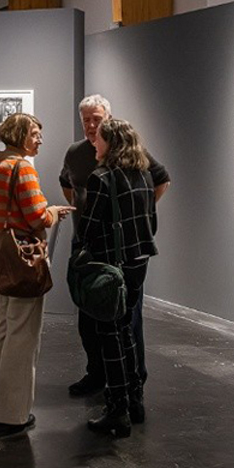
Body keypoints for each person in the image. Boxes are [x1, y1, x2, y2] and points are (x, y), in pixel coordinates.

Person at [59, 94, 169, 401]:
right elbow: (67, 184)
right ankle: (105, 378)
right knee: (92, 316)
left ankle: (129, 384)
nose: (92, 126)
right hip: (97, 245)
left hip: (112, 249)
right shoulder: (78, 154)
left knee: (124, 320)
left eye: (97, 119)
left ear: (109, 120)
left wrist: (126, 217)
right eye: (87, 120)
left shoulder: (128, 163)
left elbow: (162, 181)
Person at [0, 113, 72, 441]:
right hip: (23, 252)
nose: (40, 139)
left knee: (2, 327)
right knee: (22, 334)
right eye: (34, 133)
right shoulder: (23, 167)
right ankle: (11, 417)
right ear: (19, 135)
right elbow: (36, 216)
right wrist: (54, 213)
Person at [77, 119, 158, 437]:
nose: (94, 143)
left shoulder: (102, 178)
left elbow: (90, 227)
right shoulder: (144, 174)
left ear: (112, 143)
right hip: (139, 260)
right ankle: (135, 402)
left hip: (112, 264)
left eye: (99, 139)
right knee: (127, 332)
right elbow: (151, 218)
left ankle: (118, 410)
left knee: (109, 333)